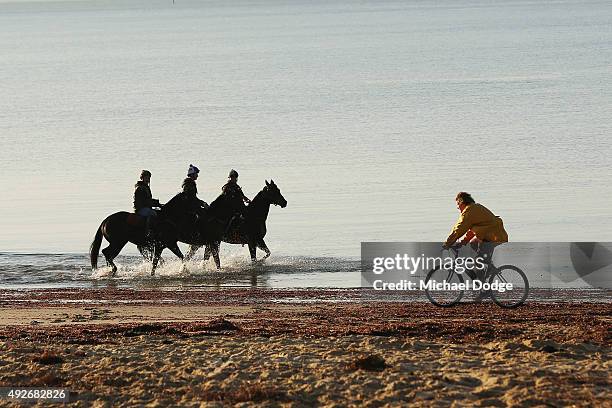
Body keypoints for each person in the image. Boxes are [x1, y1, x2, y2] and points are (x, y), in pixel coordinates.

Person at [443, 192, 508, 282]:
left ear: (462, 202)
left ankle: (483, 289)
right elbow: (474, 230)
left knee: (478, 261)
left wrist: (447, 243)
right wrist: (463, 242)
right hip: (491, 234)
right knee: (473, 243)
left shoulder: (469, 212)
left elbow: (458, 229)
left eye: (458, 204)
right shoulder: (474, 208)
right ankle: (488, 265)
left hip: (494, 237)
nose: (458, 208)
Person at [133, 170, 161, 237]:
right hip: (140, 208)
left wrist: (156, 203)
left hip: (146, 207)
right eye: (146, 177)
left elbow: (148, 200)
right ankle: (148, 232)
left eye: (148, 178)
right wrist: (155, 203)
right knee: (153, 213)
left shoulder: (145, 187)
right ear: (142, 178)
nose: (148, 179)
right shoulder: (140, 188)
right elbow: (144, 201)